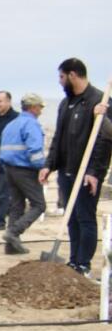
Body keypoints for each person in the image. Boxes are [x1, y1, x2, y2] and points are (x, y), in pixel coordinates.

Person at [41, 58, 111, 277]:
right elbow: (58, 139)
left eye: (61, 77)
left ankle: (84, 264)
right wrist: (48, 165)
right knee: (71, 218)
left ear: (72, 75)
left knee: (85, 216)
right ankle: (74, 261)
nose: (60, 82)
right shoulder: (65, 103)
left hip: (86, 173)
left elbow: (104, 141)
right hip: (66, 171)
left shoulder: (99, 101)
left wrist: (94, 173)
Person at [0, 94, 48, 254]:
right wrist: (42, 167)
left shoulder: (12, 124)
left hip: (9, 169)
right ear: (33, 107)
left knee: (17, 205)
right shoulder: (31, 124)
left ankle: (11, 246)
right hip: (25, 170)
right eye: (40, 107)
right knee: (39, 204)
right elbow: (35, 150)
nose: (41, 110)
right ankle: (14, 232)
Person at [0, 91, 19, 231]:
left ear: (8, 102)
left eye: (0, 101)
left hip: (9, 161)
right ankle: (10, 210)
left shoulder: (15, 119)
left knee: (3, 192)